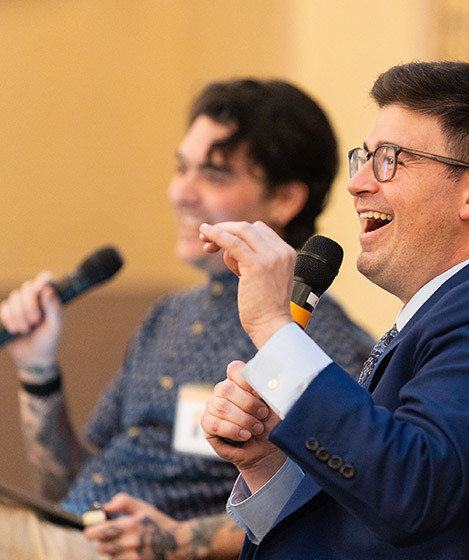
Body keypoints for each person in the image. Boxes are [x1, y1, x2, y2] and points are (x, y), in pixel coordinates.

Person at [199, 61, 469, 559]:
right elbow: (368, 516)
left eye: (390, 159)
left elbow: (410, 492)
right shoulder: (443, 315)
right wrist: (268, 462)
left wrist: (273, 325)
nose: (357, 184)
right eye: (364, 157)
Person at [0, 78, 374, 559]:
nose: (180, 192)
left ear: (286, 199)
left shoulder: (320, 341)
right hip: (68, 535)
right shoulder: (169, 315)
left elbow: (325, 515)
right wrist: (38, 371)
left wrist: (177, 541)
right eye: (181, 169)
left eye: (213, 175)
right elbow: (69, 489)